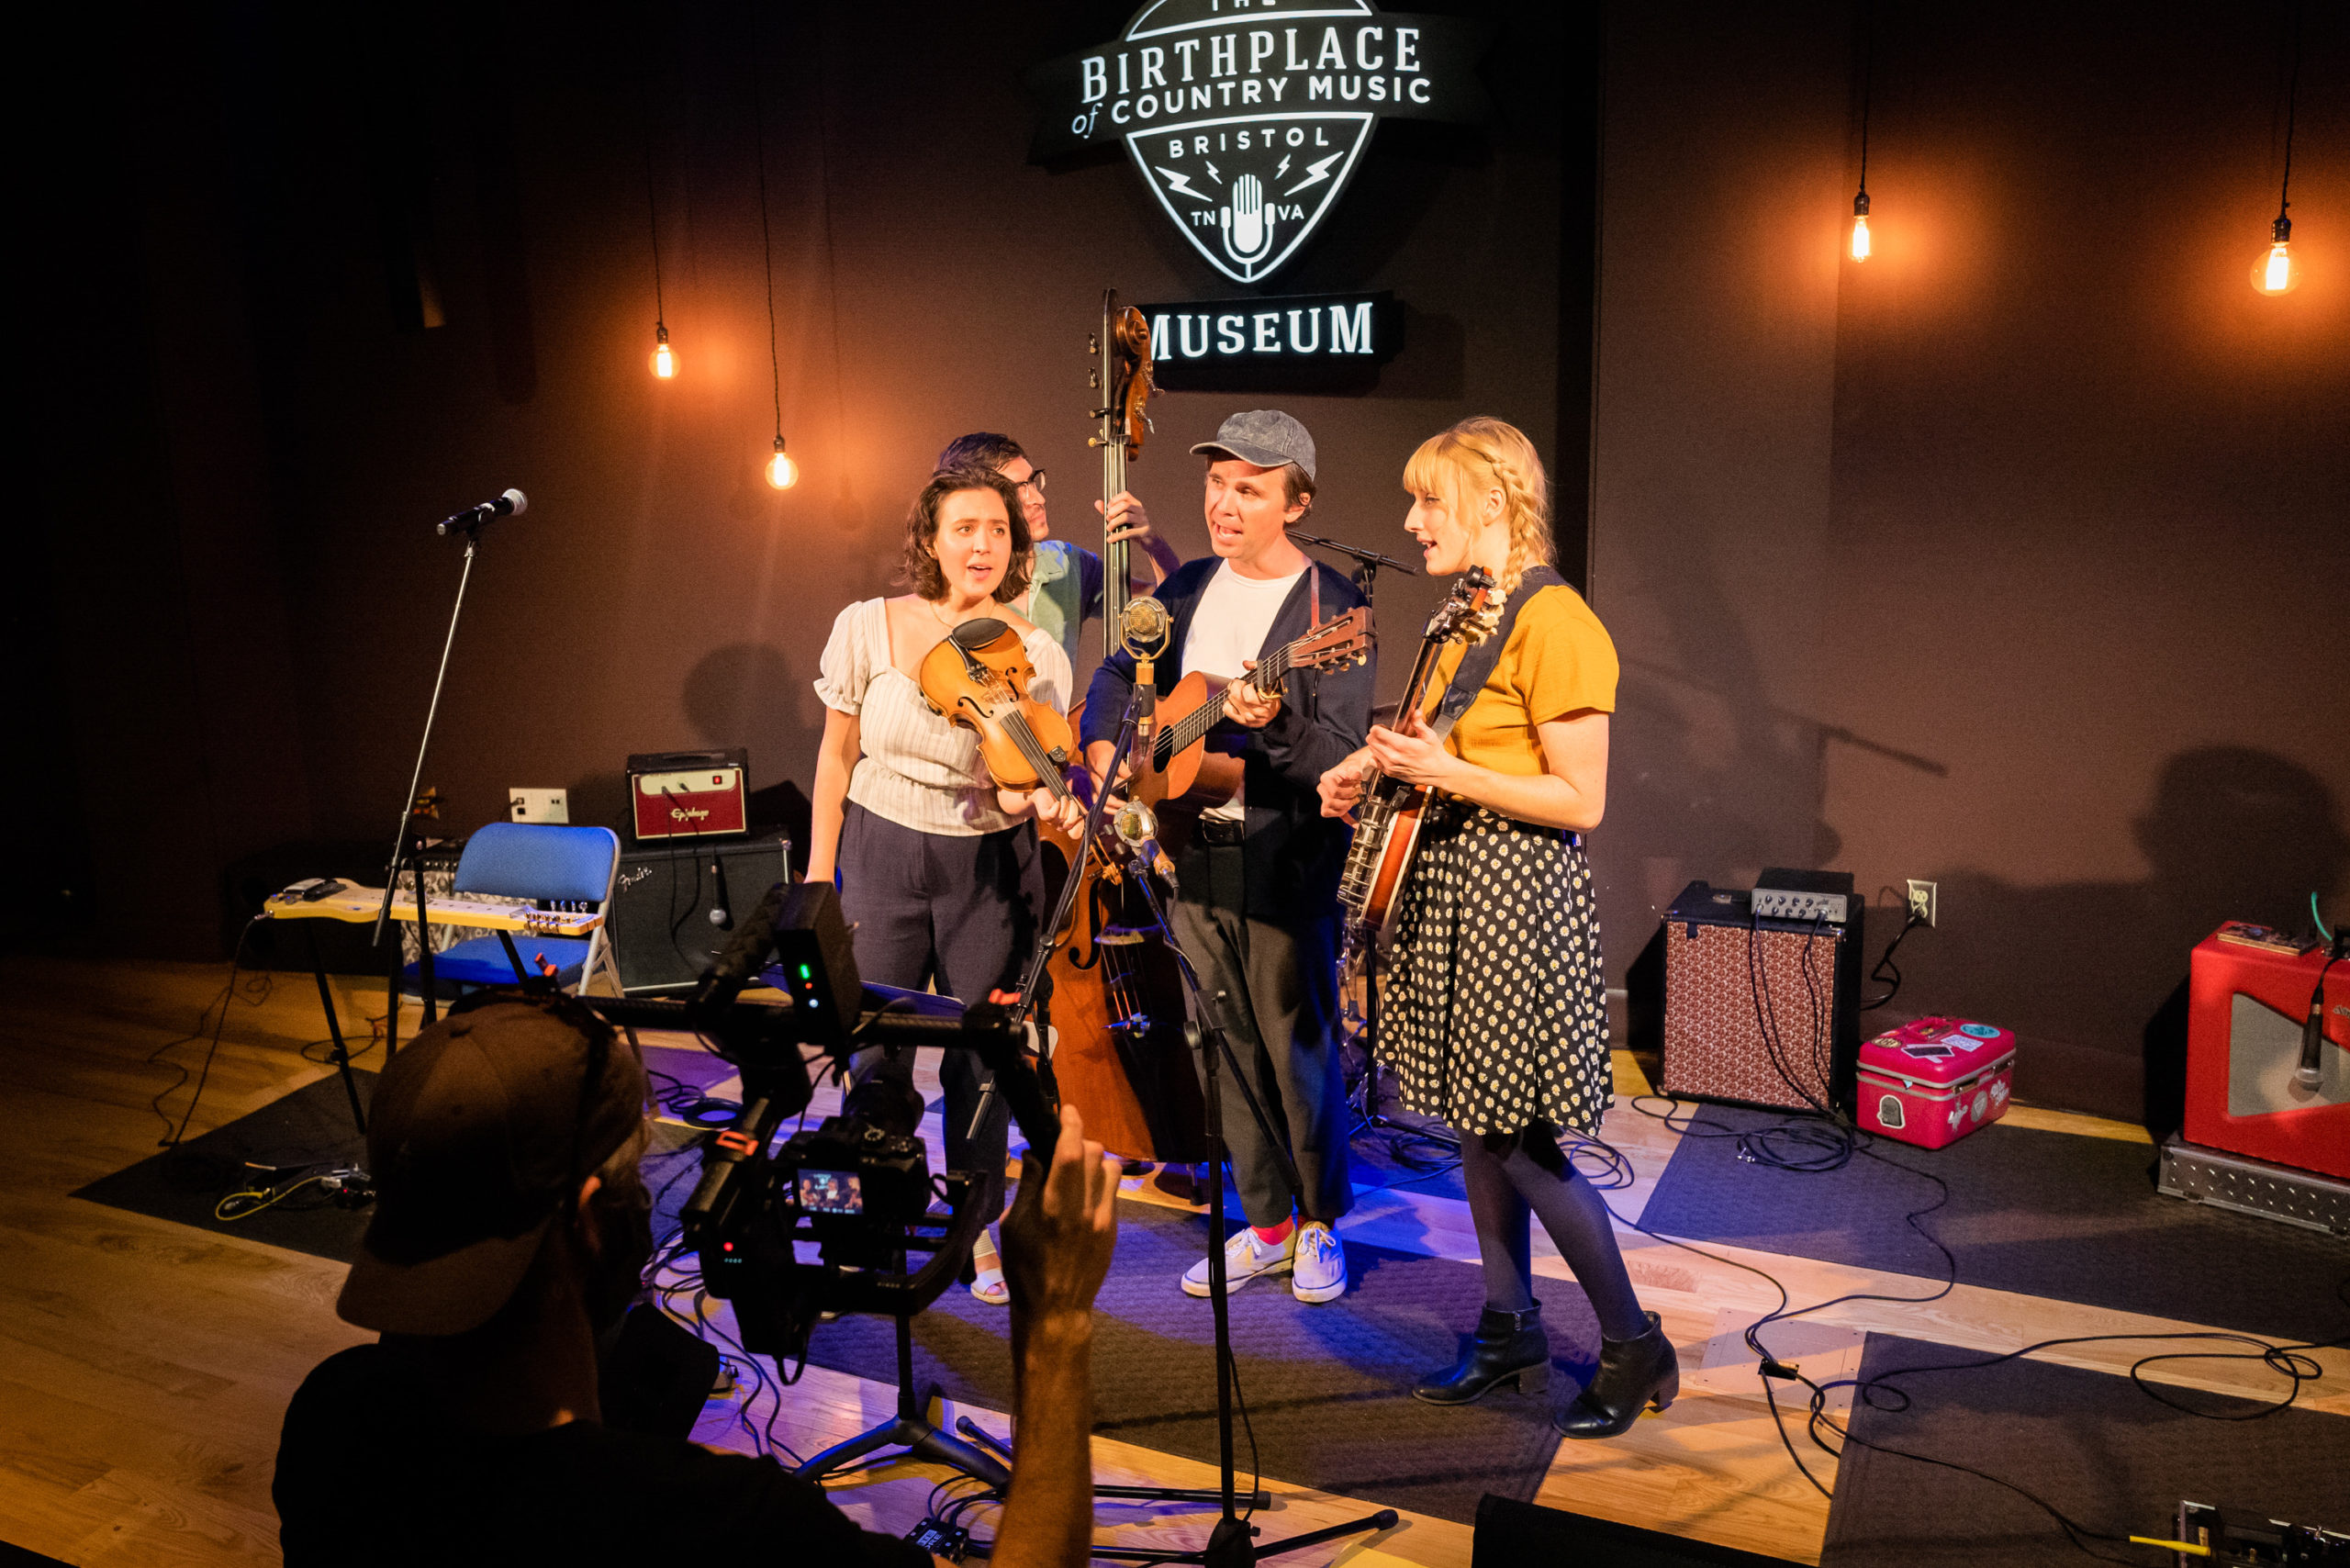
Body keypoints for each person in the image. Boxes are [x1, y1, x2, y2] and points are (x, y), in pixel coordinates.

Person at [274, 992, 1122, 1566]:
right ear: (591, 1220)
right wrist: (1056, 1326)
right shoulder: (724, 1527)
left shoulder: (333, 1422)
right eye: (639, 1171)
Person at [1315, 417, 1675, 1437]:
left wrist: (1446, 773)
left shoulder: (1557, 621)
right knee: (1475, 1125)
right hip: (1455, 890)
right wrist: (1372, 765)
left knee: (1516, 1136)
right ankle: (1509, 1323)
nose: (1410, 519)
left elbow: (1581, 800)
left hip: (1513, 899)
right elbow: (1438, 738)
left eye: (1428, 500)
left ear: (1489, 500)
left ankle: (1632, 1342)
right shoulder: (1471, 614)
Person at [1082, 409, 1372, 1305]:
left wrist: (1272, 720)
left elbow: (1338, 754)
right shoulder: (1187, 587)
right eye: (1216, 482)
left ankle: (1320, 1223)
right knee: (1223, 1043)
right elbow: (1112, 675)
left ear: (1296, 501)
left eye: (1249, 487)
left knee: (1298, 1046)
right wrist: (1104, 749)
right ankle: (1267, 1222)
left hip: (1284, 859)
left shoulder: (1332, 612)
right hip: (1189, 852)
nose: (1224, 501)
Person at [804, 465, 1087, 1305]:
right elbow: (835, 756)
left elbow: (1012, 789)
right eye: (964, 528)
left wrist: (1038, 792)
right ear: (930, 539)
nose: (982, 545)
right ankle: (875, 1218)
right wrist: (821, 875)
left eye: (998, 531)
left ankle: (979, 1227)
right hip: (881, 854)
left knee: (984, 1062)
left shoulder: (1033, 653)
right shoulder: (867, 627)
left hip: (984, 870)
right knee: (877, 1051)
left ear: (1016, 545)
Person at [938, 431, 1181, 670]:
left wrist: (1151, 540)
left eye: (1033, 482)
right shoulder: (958, 579)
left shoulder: (1066, 562)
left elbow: (1166, 602)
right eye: (1016, 490)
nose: (1038, 499)